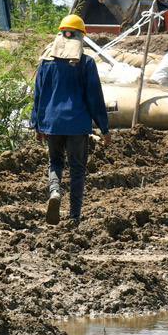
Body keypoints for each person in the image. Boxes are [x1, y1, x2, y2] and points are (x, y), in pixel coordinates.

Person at [32, 13, 110, 225]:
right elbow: (94, 98)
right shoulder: (86, 63)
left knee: (55, 162)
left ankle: (55, 192)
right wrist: (104, 128)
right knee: (77, 169)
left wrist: (36, 124)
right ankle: (74, 216)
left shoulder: (45, 64)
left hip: (52, 124)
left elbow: (38, 96)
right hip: (77, 125)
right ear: (81, 37)